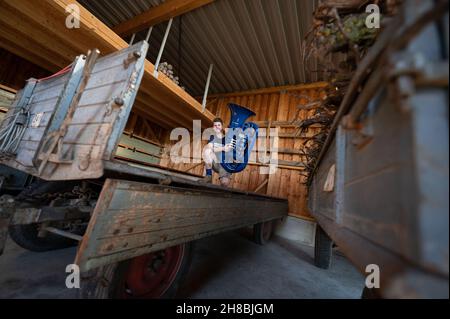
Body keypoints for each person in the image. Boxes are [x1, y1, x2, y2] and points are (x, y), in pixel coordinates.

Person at [202, 117, 233, 186]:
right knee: (207, 151)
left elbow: (231, 151)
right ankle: (209, 176)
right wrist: (223, 148)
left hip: (224, 164)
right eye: (215, 125)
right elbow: (209, 148)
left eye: (218, 125)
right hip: (215, 162)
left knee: (224, 183)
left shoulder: (227, 138)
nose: (217, 127)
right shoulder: (212, 137)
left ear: (222, 126)